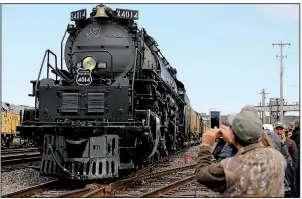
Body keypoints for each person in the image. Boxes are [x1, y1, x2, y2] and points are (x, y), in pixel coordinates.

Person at [195, 110, 287, 197]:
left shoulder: (230, 167)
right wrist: (233, 142)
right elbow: (248, 151)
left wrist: (205, 145)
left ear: (234, 136)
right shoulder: (277, 156)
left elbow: (201, 174)